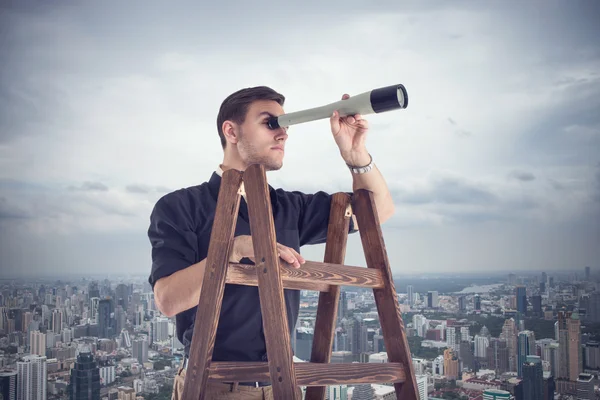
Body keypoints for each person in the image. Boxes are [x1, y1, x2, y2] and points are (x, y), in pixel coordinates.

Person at [147, 86, 395, 399]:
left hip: (284, 387)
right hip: (214, 388)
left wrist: (356, 154)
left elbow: (379, 211)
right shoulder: (180, 207)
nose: (283, 135)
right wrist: (235, 249)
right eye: (270, 124)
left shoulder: (290, 207)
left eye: (285, 126)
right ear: (231, 130)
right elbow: (168, 300)